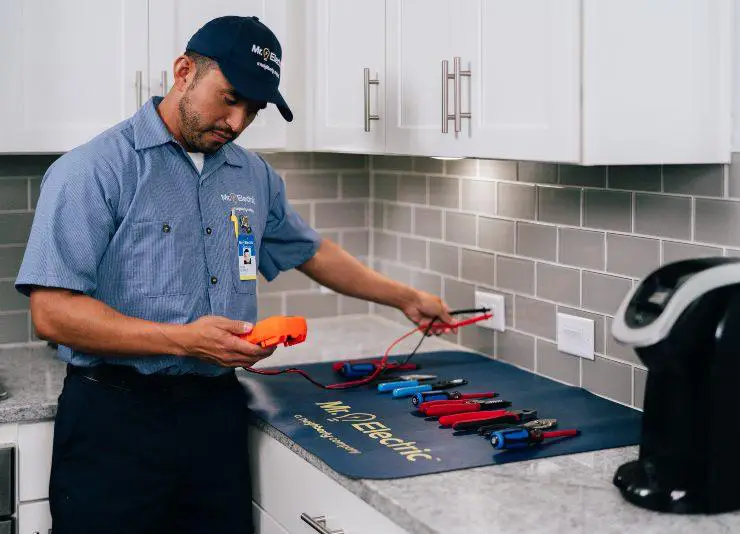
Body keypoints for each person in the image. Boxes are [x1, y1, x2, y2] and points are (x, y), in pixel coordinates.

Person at [15, 15, 454, 534]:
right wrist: (184, 342)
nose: (239, 121)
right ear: (184, 71)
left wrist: (404, 297)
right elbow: (52, 312)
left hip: (215, 417)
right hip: (115, 420)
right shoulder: (94, 170)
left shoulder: (251, 174)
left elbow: (310, 251)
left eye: (254, 109)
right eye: (229, 98)